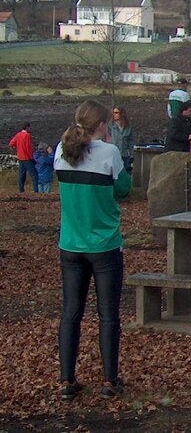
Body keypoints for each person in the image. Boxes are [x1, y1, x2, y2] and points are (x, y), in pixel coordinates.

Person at [55, 100, 132, 401]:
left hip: (70, 243)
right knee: (108, 314)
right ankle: (109, 380)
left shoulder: (62, 152)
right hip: (104, 244)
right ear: (102, 125)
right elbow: (125, 188)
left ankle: (66, 380)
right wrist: (111, 145)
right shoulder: (108, 153)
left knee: (71, 312)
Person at [9, 122, 37, 193]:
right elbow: (28, 147)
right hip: (27, 158)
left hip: (20, 157)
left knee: (21, 176)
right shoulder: (27, 135)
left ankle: (21, 191)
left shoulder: (18, 135)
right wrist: (31, 157)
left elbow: (11, 143)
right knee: (34, 175)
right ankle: (36, 191)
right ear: (27, 127)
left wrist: (17, 148)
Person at [109, 107, 135, 175]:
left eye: (116, 113)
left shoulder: (128, 127)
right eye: (113, 113)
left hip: (125, 155)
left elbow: (130, 142)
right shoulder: (111, 126)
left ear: (122, 114)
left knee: (127, 173)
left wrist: (132, 155)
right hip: (113, 155)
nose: (114, 115)